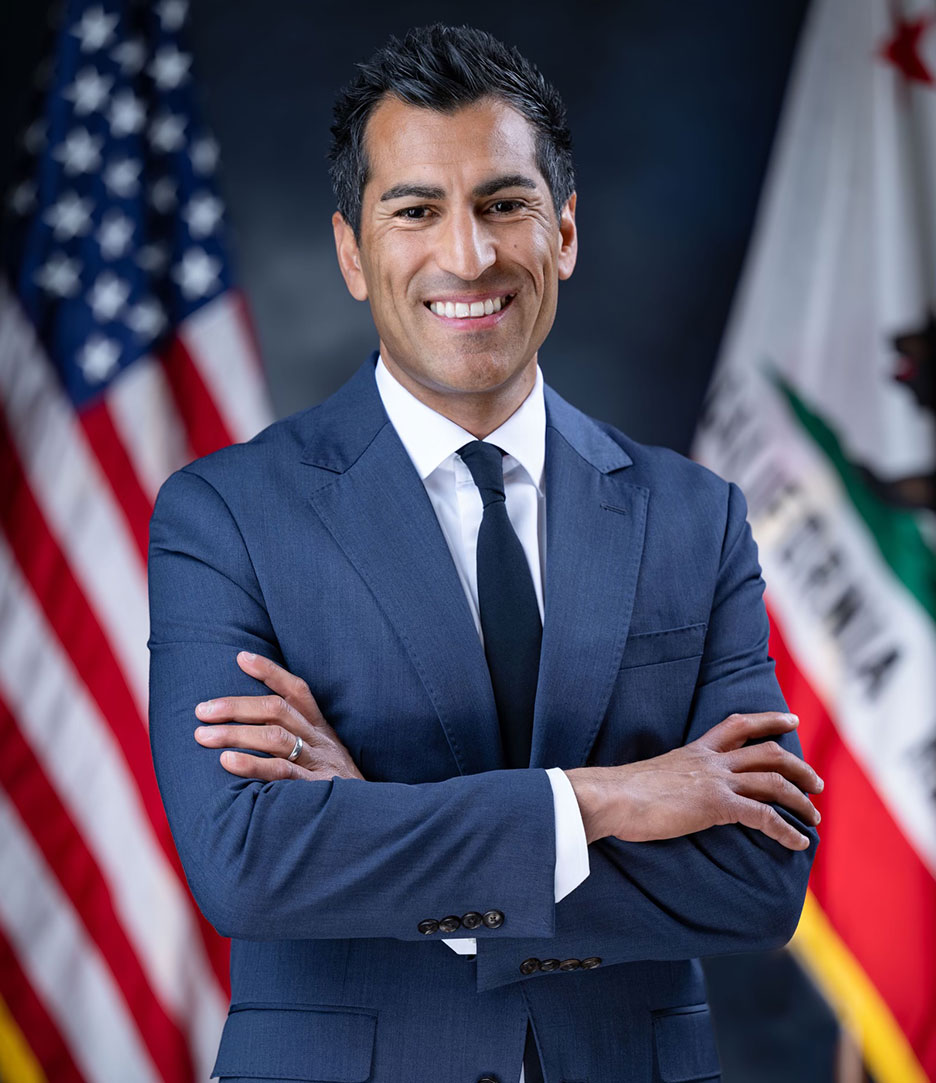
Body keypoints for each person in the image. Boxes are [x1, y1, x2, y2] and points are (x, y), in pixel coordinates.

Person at [148, 25, 821, 1083]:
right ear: (350, 250)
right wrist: (604, 801)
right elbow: (249, 865)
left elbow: (755, 880)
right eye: (415, 210)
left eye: (504, 204)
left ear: (562, 233)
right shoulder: (226, 517)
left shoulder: (699, 516)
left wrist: (371, 817)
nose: (468, 255)